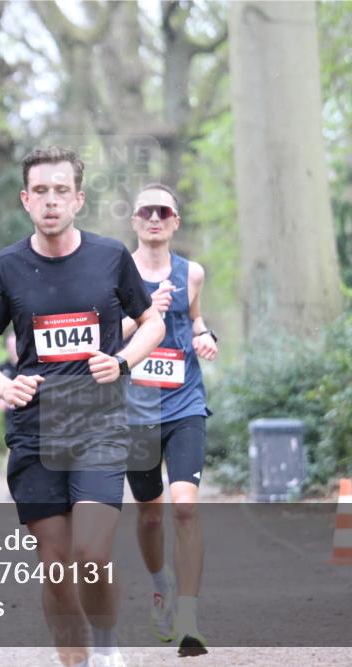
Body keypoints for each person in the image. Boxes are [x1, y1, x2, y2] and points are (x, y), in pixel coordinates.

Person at [0, 146, 165, 667]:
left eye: (61, 191)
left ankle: (105, 648)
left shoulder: (109, 257)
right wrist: (2, 387)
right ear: (26, 200)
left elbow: (154, 324)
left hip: (98, 422)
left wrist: (121, 363)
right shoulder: (6, 267)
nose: (51, 202)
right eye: (41, 192)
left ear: (78, 199)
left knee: (91, 556)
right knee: (55, 566)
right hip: (34, 430)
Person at [120, 184, 218, 657]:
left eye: (164, 212)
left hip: (184, 405)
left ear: (175, 221)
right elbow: (104, 332)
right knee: (150, 511)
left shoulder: (192, 273)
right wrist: (144, 316)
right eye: (146, 211)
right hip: (135, 411)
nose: (155, 218)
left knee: (184, 506)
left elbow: (196, 320)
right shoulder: (117, 272)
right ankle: (161, 584)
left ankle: (189, 616)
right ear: (135, 220)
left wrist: (206, 337)